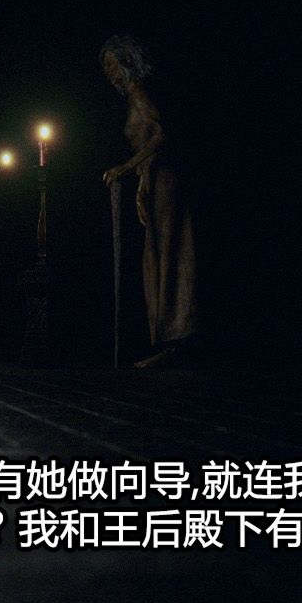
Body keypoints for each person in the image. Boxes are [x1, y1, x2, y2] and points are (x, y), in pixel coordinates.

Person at [99, 36, 200, 365]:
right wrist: (141, 183)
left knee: (170, 253)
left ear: (127, 62)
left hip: (165, 180)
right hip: (152, 180)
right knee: (155, 256)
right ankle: (164, 337)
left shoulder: (139, 94)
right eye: (106, 67)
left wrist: (126, 167)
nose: (110, 73)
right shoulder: (132, 96)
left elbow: (159, 134)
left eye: (113, 65)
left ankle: (175, 337)